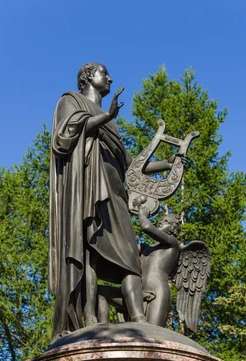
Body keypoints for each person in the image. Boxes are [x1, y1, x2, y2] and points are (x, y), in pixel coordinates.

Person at [49, 63, 174, 339]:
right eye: (104, 73)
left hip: (117, 195)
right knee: (92, 250)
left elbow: (132, 166)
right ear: (88, 77)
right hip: (90, 191)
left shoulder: (112, 124)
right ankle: (90, 317)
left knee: (130, 257)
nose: (110, 78)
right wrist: (106, 116)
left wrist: (170, 163)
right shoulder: (70, 100)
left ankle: (139, 319)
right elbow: (64, 138)